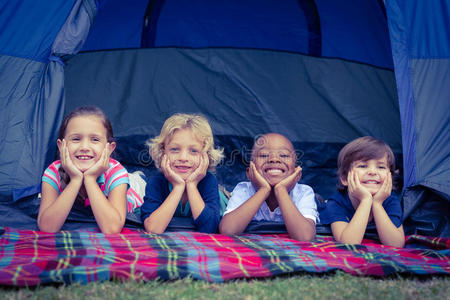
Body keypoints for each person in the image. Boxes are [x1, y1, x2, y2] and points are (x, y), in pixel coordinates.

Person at [38, 106, 142, 233]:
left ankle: (138, 177)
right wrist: (76, 180)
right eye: (76, 139)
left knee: (138, 183)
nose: (85, 147)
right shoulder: (53, 172)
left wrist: (90, 179)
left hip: (133, 193)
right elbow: (47, 227)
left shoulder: (117, 173)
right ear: (61, 146)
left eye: (95, 139)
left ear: (109, 148)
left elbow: (112, 228)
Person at [219, 133, 318, 241]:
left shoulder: (303, 193)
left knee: (318, 201)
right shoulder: (244, 190)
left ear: (297, 174)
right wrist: (263, 190)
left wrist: (281, 191)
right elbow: (227, 231)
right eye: (264, 155)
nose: (274, 159)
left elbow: (305, 237)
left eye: (284, 155)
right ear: (249, 172)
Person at [141, 113, 224, 233]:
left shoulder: (208, 181)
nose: (183, 158)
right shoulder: (157, 182)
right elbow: (153, 228)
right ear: (163, 152)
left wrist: (192, 185)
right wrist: (178, 187)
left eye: (193, 151)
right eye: (175, 149)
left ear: (205, 156)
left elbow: (209, 228)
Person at [319, 136, 405, 247]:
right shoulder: (336, 203)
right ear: (345, 178)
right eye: (363, 166)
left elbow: (396, 244)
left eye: (381, 167)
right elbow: (348, 243)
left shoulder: (390, 201)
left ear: (390, 176)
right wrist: (366, 200)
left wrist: (377, 204)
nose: (372, 172)